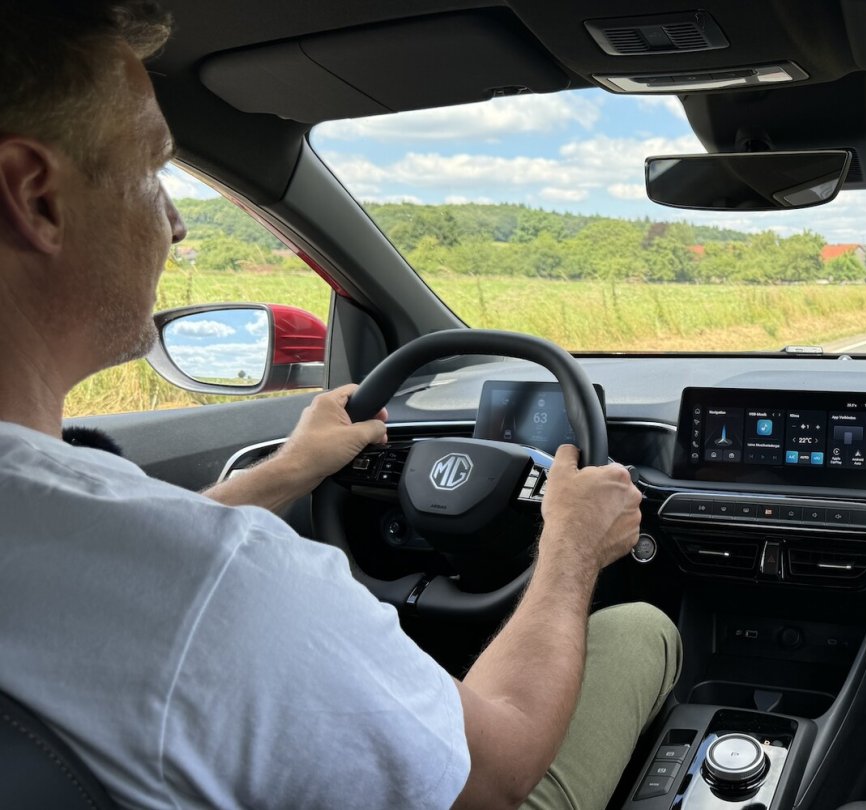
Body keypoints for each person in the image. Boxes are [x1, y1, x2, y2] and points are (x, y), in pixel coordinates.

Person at [0, 2, 681, 808]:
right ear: (36, 196)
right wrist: (571, 546)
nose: (176, 225)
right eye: (151, 172)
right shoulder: (221, 582)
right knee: (640, 629)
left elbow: (118, 575)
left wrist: (289, 469)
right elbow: (492, 775)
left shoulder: (85, 544)